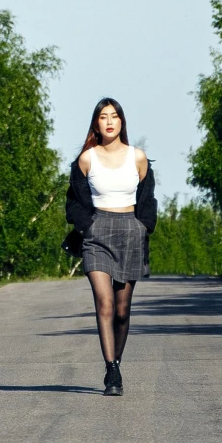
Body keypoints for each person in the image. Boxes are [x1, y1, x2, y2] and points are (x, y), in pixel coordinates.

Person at [65, 97, 156, 396]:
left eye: (114, 116)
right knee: (104, 303)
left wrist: (144, 227)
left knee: (122, 309)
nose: (109, 122)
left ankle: (117, 358)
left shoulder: (138, 157)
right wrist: (87, 227)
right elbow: (73, 202)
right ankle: (112, 371)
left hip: (130, 231)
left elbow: (148, 199)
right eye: (103, 117)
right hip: (97, 234)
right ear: (96, 123)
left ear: (121, 122)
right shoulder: (86, 159)